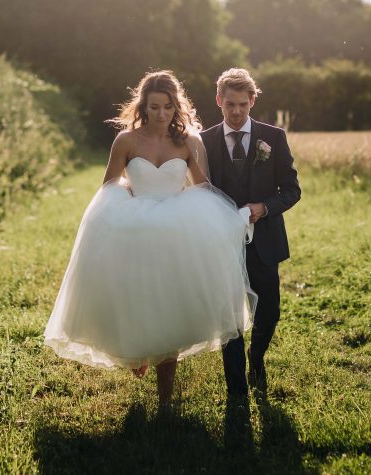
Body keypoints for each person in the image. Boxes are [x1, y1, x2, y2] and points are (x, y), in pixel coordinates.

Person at [44, 70, 256, 408]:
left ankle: (165, 402)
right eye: (154, 107)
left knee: (169, 306)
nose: (161, 115)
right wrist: (130, 200)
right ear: (143, 106)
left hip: (174, 230)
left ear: (177, 107)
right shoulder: (126, 141)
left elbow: (202, 186)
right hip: (135, 227)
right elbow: (110, 184)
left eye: (168, 108)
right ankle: (137, 352)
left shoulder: (189, 140)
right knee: (137, 299)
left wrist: (219, 217)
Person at [200, 68, 301, 397]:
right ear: (219, 101)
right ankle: (236, 388)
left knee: (270, 310)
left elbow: (291, 190)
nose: (236, 111)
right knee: (229, 313)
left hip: (264, 240)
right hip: (222, 242)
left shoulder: (273, 137)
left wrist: (265, 208)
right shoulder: (203, 141)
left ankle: (256, 358)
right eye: (230, 104)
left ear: (252, 101)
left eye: (243, 104)